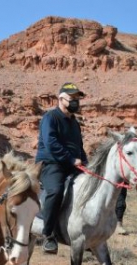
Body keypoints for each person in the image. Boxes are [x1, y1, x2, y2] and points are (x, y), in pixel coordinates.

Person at [35, 82, 88, 254]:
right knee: (56, 191)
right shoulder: (50, 118)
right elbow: (51, 144)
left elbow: (79, 147)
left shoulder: (74, 123)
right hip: (52, 164)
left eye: (77, 99)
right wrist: (71, 159)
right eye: (72, 98)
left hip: (72, 164)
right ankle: (48, 235)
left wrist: (86, 165)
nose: (75, 102)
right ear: (61, 99)